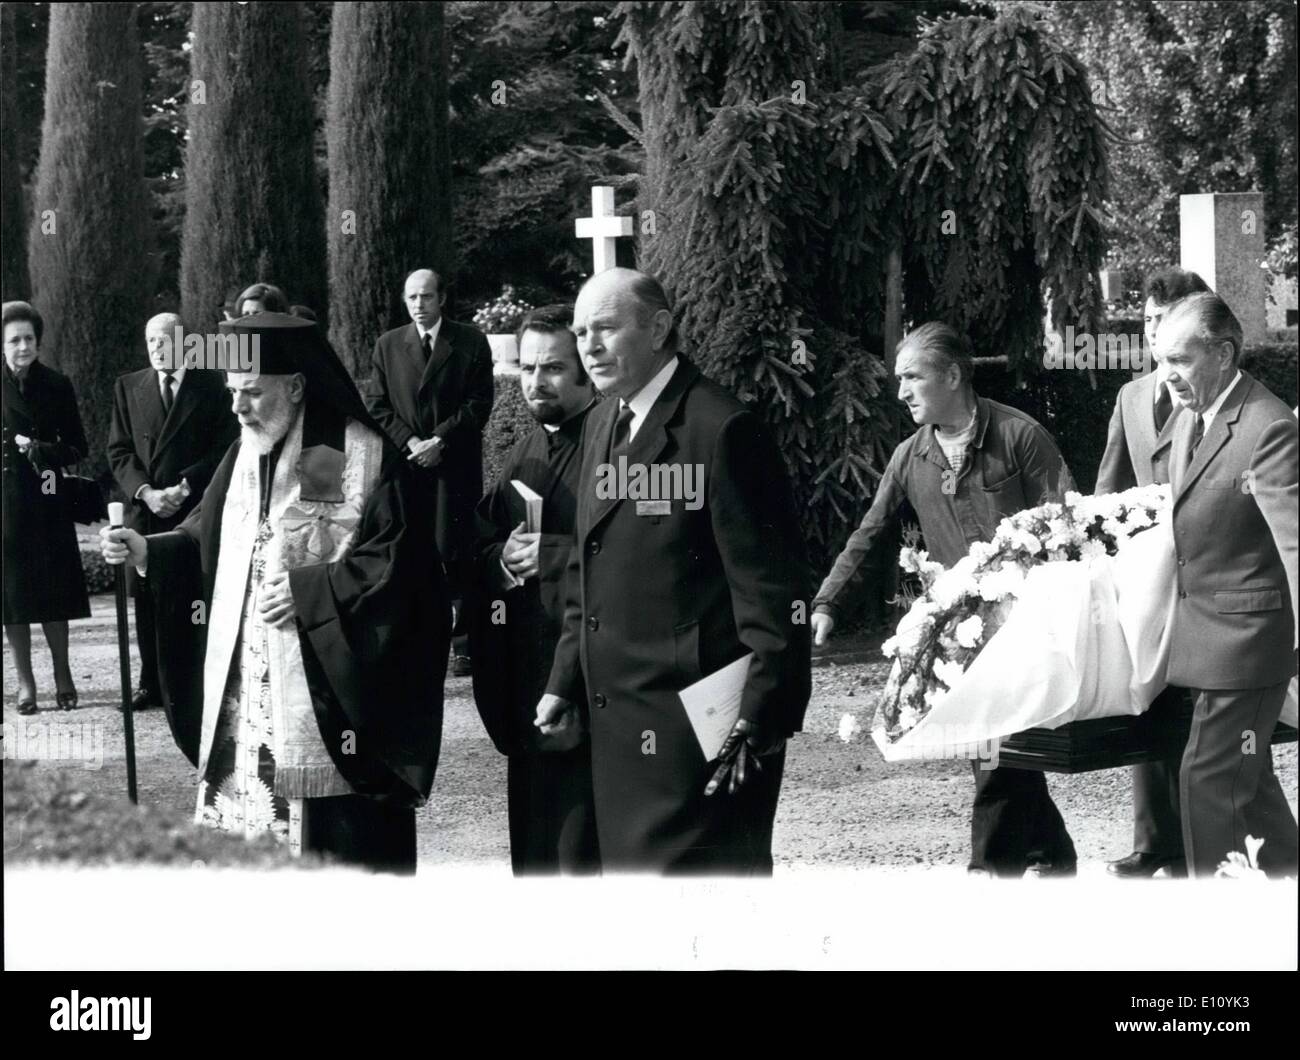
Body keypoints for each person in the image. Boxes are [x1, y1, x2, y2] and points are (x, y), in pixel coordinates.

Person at [101, 313, 450, 873]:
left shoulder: (342, 453)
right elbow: (204, 532)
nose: (237, 408)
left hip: (327, 699)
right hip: (248, 694)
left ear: (295, 385)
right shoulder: (245, 452)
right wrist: (149, 550)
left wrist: (315, 590)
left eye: (252, 392)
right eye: (232, 391)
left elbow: (400, 567)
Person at [535, 268, 811, 874]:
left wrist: (758, 721)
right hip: (618, 729)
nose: (589, 346)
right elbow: (591, 561)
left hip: (697, 737)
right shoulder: (605, 423)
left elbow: (773, 593)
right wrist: (563, 679)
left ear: (659, 328)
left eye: (605, 328)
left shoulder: (722, 429)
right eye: (581, 332)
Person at [812, 322, 1078, 878]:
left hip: (1029, 624)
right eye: (899, 379)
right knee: (998, 744)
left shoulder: (1020, 436)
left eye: (913, 376)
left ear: (953, 375)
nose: (902, 390)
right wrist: (828, 602)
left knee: (994, 746)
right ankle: (1052, 855)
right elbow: (873, 532)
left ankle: (990, 871)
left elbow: (1067, 523)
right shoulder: (911, 456)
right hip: (964, 630)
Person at [1159, 292, 1298, 878]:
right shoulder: (1190, 419)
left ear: (1222, 352)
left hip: (1248, 643)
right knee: (1251, 777)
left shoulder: (1269, 427)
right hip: (1204, 638)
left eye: (1180, 361)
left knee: (1206, 781)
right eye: (1160, 362)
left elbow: (1295, 545)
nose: (1167, 378)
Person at [470, 304, 600, 875]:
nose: (535, 382)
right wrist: (500, 558)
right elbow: (477, 539)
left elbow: (641, 556)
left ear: (583, 371)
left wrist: (557, 557)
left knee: (581, 851)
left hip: (585, 672)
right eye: (526, 368)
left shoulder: (613, 445)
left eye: (551, 368)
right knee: (534, 852)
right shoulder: (524, 449)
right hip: (525, 669)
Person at [1095, 267, 1209, 879]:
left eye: (1166, 321)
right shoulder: (1130, 398)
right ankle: (1153, 842)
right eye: (1146, 321)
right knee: (1146, 697)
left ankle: (1205, 844)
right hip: (1146, 577)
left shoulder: (1216, 395)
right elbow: (1109, 486)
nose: (1153, 332)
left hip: (1202, 573)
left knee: (1202, 710)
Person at [365, 268, 494, 678]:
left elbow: (479, 402)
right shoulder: (388, 346)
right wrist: (412, 444)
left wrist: (440, 441)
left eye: (426, 297)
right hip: (407, 469)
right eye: (412, 298)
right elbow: (378, 404)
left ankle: (464, 644)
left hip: (452, 467)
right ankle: (417, 641)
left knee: (455, 553)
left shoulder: (470, 341)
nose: (419, 305)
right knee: (409, 553)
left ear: (441, 299)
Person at [106, 312, 237, 712]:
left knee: (192, 597)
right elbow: (119, 449)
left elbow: (226, 444)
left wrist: (185, 485)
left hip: (192, 509)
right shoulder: (129, 386)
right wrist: (145, 492)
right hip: (146, 511)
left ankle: (197, 682)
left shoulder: (211, 383)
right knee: (146, 601)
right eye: (152, 343)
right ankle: (151, 683)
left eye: (166, 341)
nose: (158, 350)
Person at [2, 301, 91, 714]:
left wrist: (41, 450)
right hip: (5, 506)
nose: (23, 346)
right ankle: (25, 683)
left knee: (54, 592)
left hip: (48, 502)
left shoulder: (57, 385)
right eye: (14, 340)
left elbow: (78, 447)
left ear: (38, 341)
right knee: (13, 597)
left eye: (29, 339)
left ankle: (63, 675)